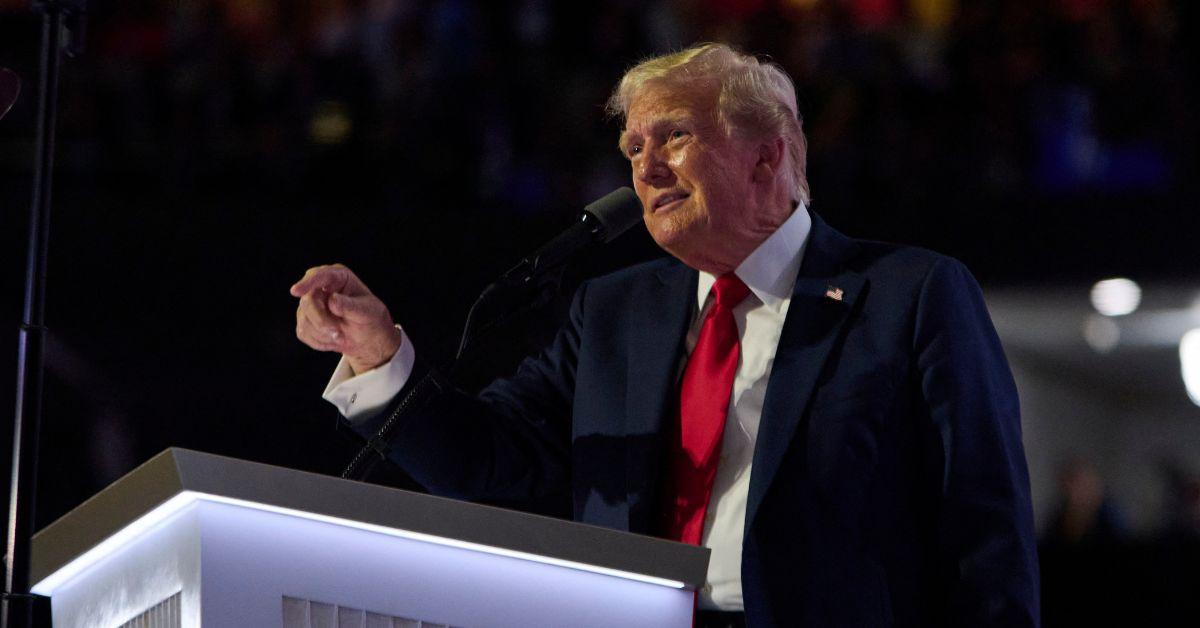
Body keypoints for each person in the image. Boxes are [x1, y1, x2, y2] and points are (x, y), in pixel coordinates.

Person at [291, 43, 1039, 627]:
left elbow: (985, 538)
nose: (645, 168)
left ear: (767, 154)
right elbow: (493, 461)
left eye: (674, 137)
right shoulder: (615, 314)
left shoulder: (910, 297)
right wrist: (380, 353)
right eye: (633, 151)